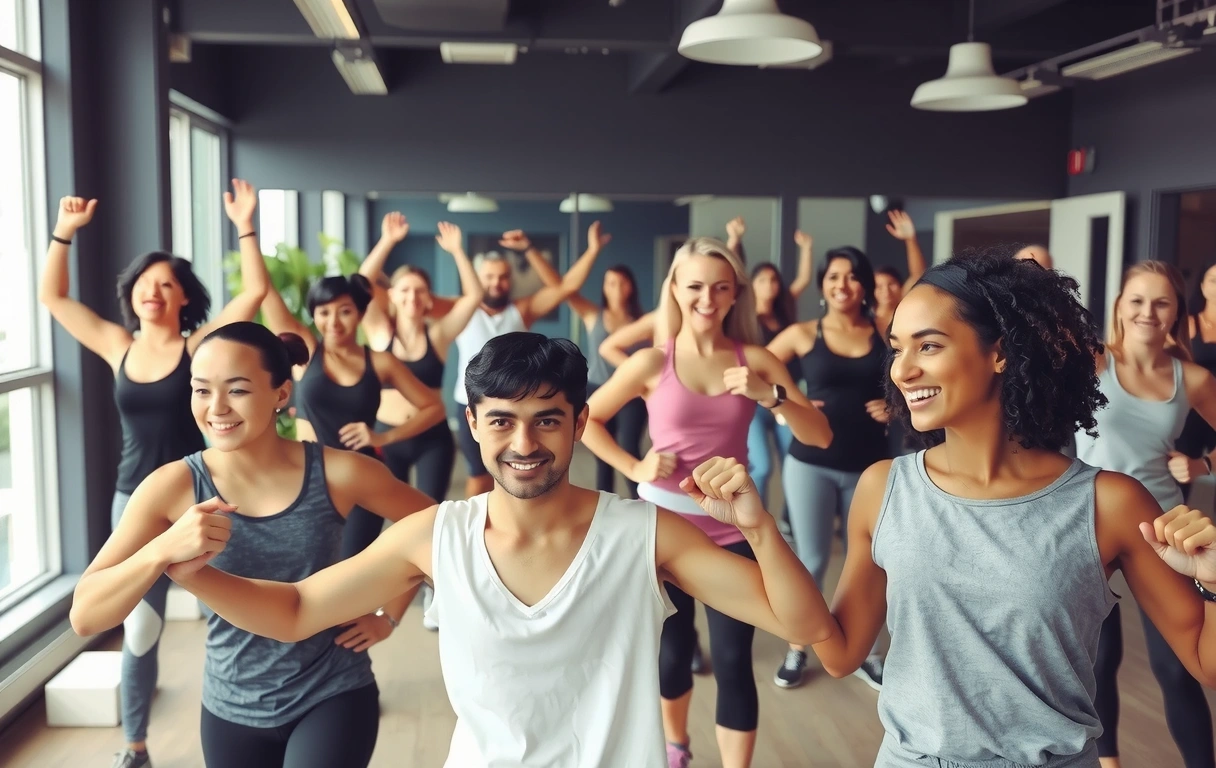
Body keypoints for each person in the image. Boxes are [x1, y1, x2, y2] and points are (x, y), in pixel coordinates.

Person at [163, 331, 826, 768]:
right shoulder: (437, 534)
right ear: (474, 425)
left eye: (547, 421)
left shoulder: (643, 534)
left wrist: (760, 528)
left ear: (579, 425)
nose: (525, 444)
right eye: (502, 421)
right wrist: (191, 574)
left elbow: (805, 626)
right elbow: (298, 609)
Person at [796, 249, 1216, 768]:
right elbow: (839, 655)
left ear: (1000, 353)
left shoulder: (1108, 502)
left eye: (928, 345)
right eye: (896, 348)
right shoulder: (885, 488)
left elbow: (1205, 660)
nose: (902, 371)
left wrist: (1214, 583)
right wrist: (763, 533)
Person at [69, 322, 435, 768]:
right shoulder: (171, 487)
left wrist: (388, 618)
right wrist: (161, 549)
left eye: (237, 390)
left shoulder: (340, 473)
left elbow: (436, 529)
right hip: (230, 705)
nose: (216, 407)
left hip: (333, 690)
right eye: (201, 390)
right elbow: (86, 615)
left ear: (281, 394)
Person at [39, 181, 271, 768]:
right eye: (146, 281)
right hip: (135, 500)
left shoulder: (203, 347)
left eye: (167, 283)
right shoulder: (118, 345)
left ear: (183, 298)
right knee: (141, 628)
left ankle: (264, 713)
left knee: (241, 608)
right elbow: (54, 297)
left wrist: (245, 223)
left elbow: (256, 291)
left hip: (203, 497)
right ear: (133, 293)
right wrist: (64, 231)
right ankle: (135, 744)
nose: (155, 290)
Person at [582, 237, 831, 768]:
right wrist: (635, 466)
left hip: (731, 531)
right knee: (672, 654)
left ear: (734, 294)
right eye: (694, 286)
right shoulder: (652, 361)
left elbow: (821, 435)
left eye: (720, 287)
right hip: (661, 530)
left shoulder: (756, 359)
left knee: (734, 660)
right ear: (675, 288)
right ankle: (677, 749)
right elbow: (586, 419)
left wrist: (772, 396)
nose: (707, 298)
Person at [1074, 261, 1216, 768]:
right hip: (1087, 526)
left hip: (1164, 530)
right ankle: (1108, 762)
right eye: (1137, 300)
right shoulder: (1089, 362)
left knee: (1180, 668)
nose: (1147, 312)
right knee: (1099, 660)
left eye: (1161, 302)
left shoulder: (1193, 378)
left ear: (1178, 312)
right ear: (1119, 306)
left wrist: (1202, 463)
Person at [766, 245, 891, 690]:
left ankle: (869, 653)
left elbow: (913, 372)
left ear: (865, 286)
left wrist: (897, 407)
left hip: (869, 468)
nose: (843, 284)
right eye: (834, 276)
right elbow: (757, 367)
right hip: (811, 465)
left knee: (871, 563)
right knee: (813, 559)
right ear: (823, 284)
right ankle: (799, 647)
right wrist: (787, 406)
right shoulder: (804, 333)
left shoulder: (884, 331)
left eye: (853, 276)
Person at [259, 273, 445, 559]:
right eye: (323, 312)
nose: (333, 322)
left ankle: (387, 605)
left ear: (359, 313)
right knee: (312, 569)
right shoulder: (307, 350)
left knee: (354, 567)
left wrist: (384, 436)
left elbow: (434, 407)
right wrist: (247, 230)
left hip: (363, 479)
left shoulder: (380, 361)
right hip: (310, 480)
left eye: (344, 311)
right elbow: (266, 291)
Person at [356, 217, 484, 627]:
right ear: (392, 296)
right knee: (382, 521)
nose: (413, 297)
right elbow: (360, 283)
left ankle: (435, 595)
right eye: (405, 290)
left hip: (431, 438)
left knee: (432, 521)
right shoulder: (379, 332)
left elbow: (474, 295)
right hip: (386, 439)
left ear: (429, 299)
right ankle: (377, 593)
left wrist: (458, 251)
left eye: (420, 292)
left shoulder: (440, 334)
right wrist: (387, 241)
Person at [451, 223, 608, 498]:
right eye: (488, 277)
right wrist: (456, 251)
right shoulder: (459, 310)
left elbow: (565, 287)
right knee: (478, 475)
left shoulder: (522, 310)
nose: (495, 283)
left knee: (517, 474)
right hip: (472, 403)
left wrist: (530, 249)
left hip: (520, 406)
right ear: (477, 279)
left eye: (502, 277)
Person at [564, 263, 649, 497]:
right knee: (603, 455)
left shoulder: (642, 323)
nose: (617, 288)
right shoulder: (594, 315)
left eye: (622, 282)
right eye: (611, 283)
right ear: (604, 287)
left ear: (631, 286)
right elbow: (564, 290)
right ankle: (606, 509)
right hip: (597, 390)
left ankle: (642, 503)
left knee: (629, 449)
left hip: (631, 394)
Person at [873, 210, 928, 335]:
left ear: (900, 285)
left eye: (891, 284)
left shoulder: (903, 306)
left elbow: (918, 274)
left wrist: (910, 239)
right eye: (879, 286)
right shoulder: (865, 317)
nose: (886, 291)